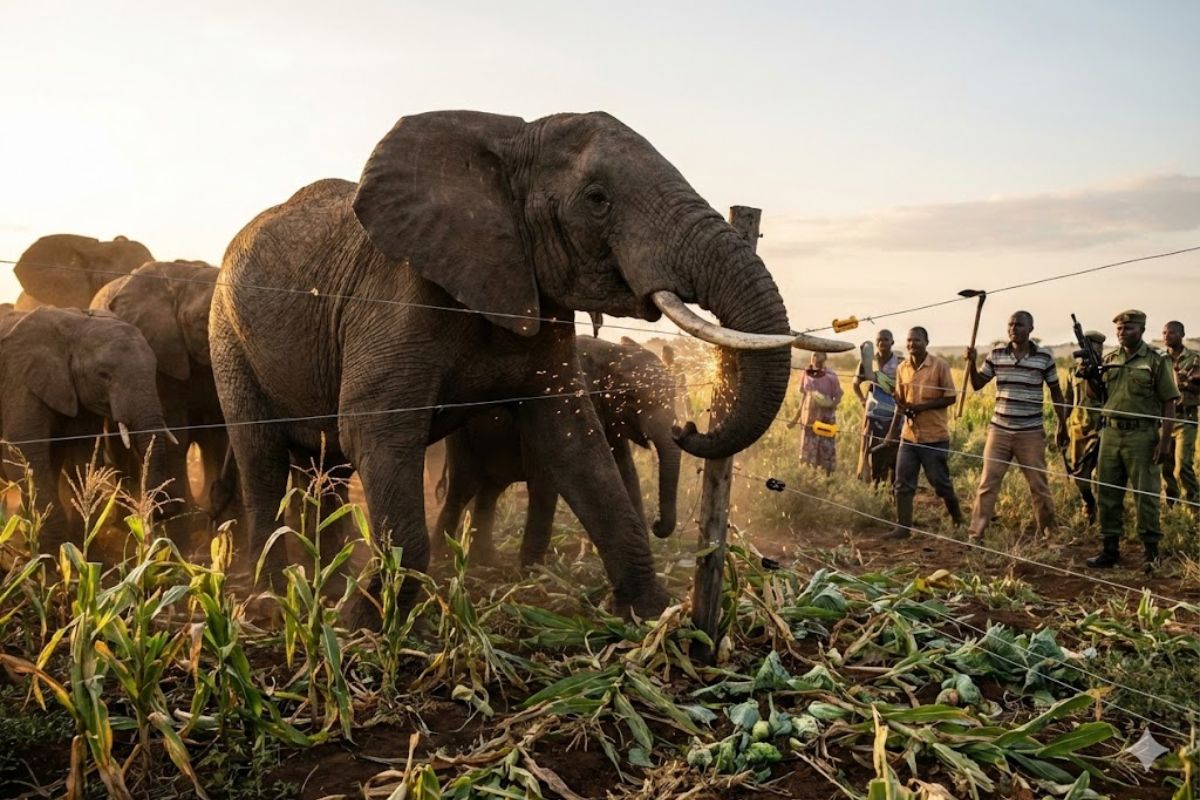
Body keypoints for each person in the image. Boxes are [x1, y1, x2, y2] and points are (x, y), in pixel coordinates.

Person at [963, 311, 1069, 541]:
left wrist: (1063, 425)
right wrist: (971, 363)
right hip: (999, 429)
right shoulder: (997, 354)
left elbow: (1056, 393)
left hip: (1030, 432)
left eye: (1019, 325)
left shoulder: (1044, 357)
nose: (1013, 329)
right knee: (987, 484)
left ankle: (1049, 535)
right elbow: (978, 384)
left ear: (1030, 329)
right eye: (1010, 325)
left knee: (1038, 486)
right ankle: (976, 534)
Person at [1087, 310, 1179, 570]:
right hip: (1111, 433)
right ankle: (1110, 549)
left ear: (1141, 330)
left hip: (1142, 435)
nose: (1121, 333)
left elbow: (1169, 402)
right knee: (1107, 491)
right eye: (1119, 329)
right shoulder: (1110, 359)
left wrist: (1165, 441)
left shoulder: (1156, 360)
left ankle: (1151, 552)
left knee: (1145, 494)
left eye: (1128, 328)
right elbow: (1096, 395)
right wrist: (1089, 375)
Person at [882, 327, 963, 537]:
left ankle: (959, 521)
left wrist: (921, 407)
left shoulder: (939, 366)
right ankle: (903, 528)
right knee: (902, 484)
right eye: (909, 340)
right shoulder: (902, 368)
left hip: (934, 436)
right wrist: (892, 431)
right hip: (909, 436)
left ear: (926, 342)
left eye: (917, 340)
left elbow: (951, 397)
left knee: (940, 483)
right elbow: (900, 403)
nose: (912, 344)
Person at [1063, 330, 1107, 523]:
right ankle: (1089, 502)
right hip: (1078, 427)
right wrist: (1061, 426)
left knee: (1102, 475)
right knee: (1079, 475)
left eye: (1097, 347)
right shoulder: (1073, 371)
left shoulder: (1107, 370)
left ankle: (1106, 515)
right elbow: (1067, 400)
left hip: (1102, 427)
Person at [1161, 321, 1200, 512]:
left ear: (1182, 334)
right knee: (1166, 467)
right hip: (1165, 420)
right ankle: (1172, 507)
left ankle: (1194, 508)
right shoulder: (1160, 359)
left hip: (1186, 418)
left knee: (1183, 465)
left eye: (1171, 333)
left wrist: (1186, 384)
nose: (1166, 336)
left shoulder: (1195, 359)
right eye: (1164, 333)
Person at [853, 329, 900, 485]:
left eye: (885, 339)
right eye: (879, 340)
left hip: (896, 414)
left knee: (895, 451)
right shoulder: (868, 362)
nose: (882, 342)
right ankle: (874, 485)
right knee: (873, 450)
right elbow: (855, 384)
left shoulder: (900, 363)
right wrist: (862, 400)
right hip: (874, 415)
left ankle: (893, 489)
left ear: (892, 342)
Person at [788, 352, 843, 473]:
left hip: (826, 419)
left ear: (825, 357)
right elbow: (804, 396)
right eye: (813, 355)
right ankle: (808, 477)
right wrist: (796, 418)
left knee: (826, 449)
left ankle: (826, 478)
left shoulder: (831, 375)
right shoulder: (807, 373)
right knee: (808, 451)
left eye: (819, 354)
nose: (815, 357)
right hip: (809, 419)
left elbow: (838, 396)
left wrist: (830, 404)